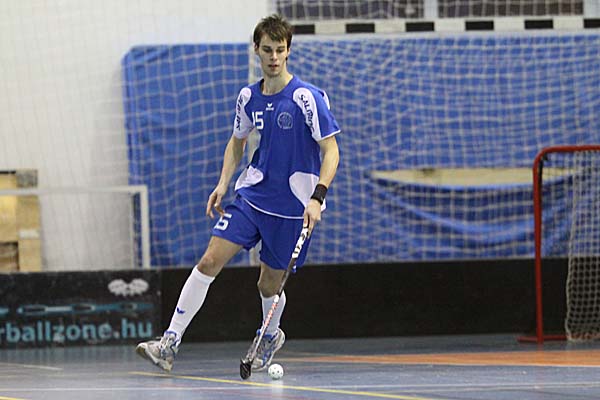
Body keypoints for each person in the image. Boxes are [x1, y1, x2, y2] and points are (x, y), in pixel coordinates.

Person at [135, 14, 340, 373]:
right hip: (252, 197)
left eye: (280, 50)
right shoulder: (248, 97)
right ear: (256, 50)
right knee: (209, 260)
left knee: (268, 284)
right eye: (267, 50)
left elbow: (331, 151)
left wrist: (317, 197)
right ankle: (169, 343)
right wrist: (223, 183)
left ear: (288, 51)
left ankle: (270, 336)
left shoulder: (307, 97)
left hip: (292, 208)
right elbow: (237, 142)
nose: (273, 57)